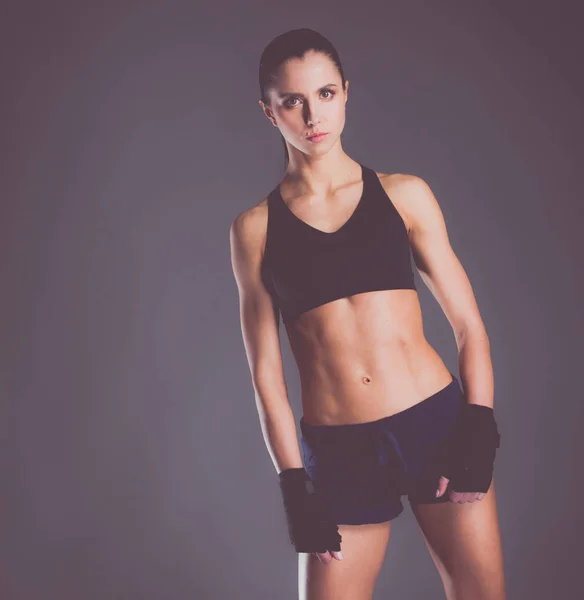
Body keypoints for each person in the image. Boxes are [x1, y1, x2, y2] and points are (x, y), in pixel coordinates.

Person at [229, 28, 505, 600]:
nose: (312, 115)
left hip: (434, 426)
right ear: (268, 112)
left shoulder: (405, 195)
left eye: (325, 94)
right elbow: (266, 377)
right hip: (339, 451)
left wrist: (478, 422)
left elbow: (469, 324)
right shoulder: (254, 229)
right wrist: (293, 485)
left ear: (346, 93)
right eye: (292, 101)